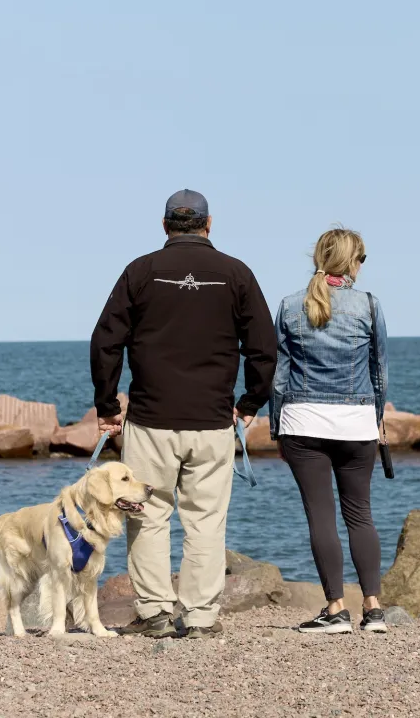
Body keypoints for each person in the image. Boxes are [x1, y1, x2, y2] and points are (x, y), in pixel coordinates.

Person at [90, 190, 278, 640]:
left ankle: (154, 612)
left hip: (151, 419)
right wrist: (250, 403)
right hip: (212, 421)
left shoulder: (141, 271)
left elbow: (105, 341)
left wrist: (107, 406)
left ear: (164, 225)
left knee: (148, 516)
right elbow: (264, 347)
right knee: (206, 522)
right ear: (208, 225)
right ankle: (199, 617)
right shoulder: (236, 273)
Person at [270, 228, 389, 635]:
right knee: (360, 514)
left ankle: (335, 609)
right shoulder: (368, 305)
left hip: (302, 423)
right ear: (353, 262)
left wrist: (276, 427)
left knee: (321, 517)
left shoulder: (289, 305)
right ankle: (373, 609)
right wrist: (376, 421)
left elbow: (278, 376)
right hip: (357, 424)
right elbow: (379, 372)